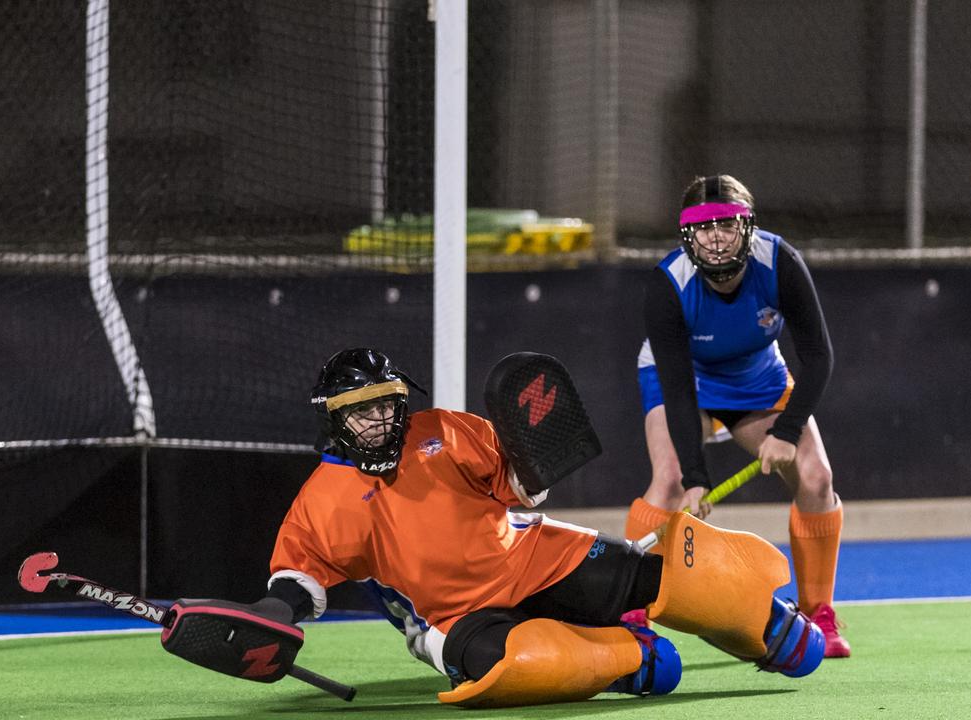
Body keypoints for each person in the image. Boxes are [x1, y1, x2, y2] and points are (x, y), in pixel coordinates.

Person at [250, 347, 823, 708]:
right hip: (454, 619)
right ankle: (631, 657)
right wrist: (270, 618)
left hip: (534, 555)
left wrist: (532, 461)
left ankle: (769, 625)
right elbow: (299, 578)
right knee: (515, 666)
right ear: (334, 417)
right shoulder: (323, 497)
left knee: (661, 575)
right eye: (360, 409)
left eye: (387, 403)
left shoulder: (443, 429)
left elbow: (517, 486)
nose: (379, 419)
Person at [625, 174, 850, 658]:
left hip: (758, 379)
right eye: (703, 227)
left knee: (815, 476)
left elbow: (819, 357)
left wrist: (787, 431)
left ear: (747, 227)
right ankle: (629, 616)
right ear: (687, 235)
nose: (716, 237)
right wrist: (695, 475)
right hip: (688, 381)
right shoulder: (668, 285)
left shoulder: (780, 262)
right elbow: (680, 391)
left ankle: (819, 615)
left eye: (727, 224)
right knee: (666, 480)